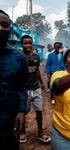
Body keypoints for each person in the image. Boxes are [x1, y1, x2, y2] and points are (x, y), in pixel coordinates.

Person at [0, 10, 29, 150]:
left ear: (10, 30)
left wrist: (21, 111)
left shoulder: (18, 58)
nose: (0, 28)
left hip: (7, 122)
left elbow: (22, 87)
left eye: (4, 24)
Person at [19, 35, 51, 143]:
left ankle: (40, 133)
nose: (28, 45)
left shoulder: (36, 57)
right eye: (25, 43)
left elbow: (37, 71)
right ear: (22, 44)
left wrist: (41, 82)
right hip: (24, 90)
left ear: (32, 44)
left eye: (30, 43)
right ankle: (22, 132)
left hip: (36, 88)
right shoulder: (19, 57)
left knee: (39, 112)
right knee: (23, 112)